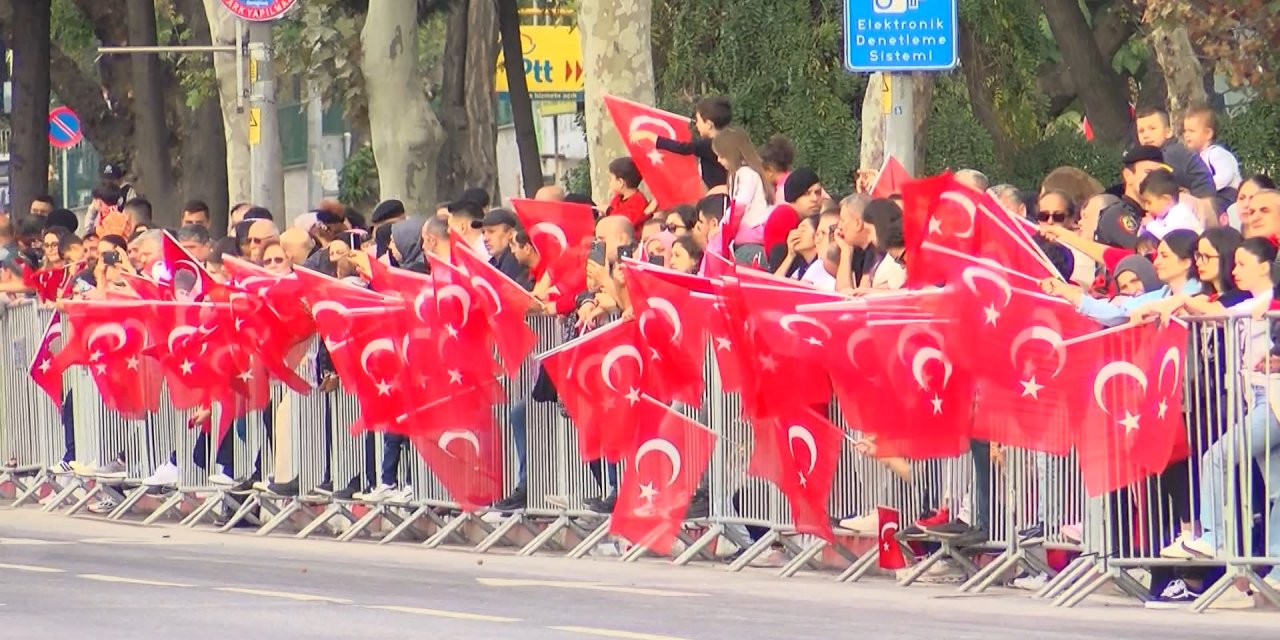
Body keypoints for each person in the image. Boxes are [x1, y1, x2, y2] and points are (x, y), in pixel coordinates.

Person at [631, 95, 731, 190]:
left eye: (698, 121)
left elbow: (681, 148)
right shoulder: (731, 138)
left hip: (719, 193)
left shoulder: (707, 144)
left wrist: (650, 136)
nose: (696, 125)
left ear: (709, 124)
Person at [712, 128, 773, 265]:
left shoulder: (745, 173)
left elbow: (739, 207)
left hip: (752, 238)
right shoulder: (744, 173)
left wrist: (723, 228)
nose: (718, 160)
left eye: (721, 156)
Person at [1135, 107, 1216, 200]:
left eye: (1152, 128)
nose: (1146, 135)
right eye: (1141, 131)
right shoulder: (1159, 154)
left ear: (1168, 132)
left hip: (1204, 201)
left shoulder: (1171, 153)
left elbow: (1163, 187)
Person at [763, 168, 824, 270]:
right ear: (794, 196)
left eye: (817, 192)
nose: (815, 199)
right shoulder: (785, 215)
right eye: (807, 194)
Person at [1139, 169, 1204, 239]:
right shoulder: (1160, 217)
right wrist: (1144, 226)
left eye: (1149, 202)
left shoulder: (1180, 215)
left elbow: (1168, 238)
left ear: (1166, 199)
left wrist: (1150, 224)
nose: (1146, 207)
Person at [605, 157, 650, 232]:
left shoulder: (638, 200)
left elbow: (625, 221)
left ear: (620, 182)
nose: (609, 183)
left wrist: (608, 211)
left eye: (611, 179)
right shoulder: (618, 198)